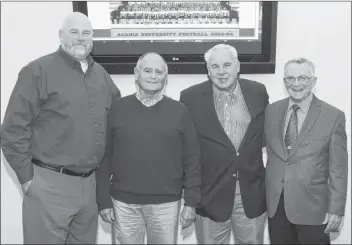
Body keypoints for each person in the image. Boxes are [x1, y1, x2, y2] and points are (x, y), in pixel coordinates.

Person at [0, 12, 121, 244]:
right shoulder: (37, 71)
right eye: (74, 32)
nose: (80, 38)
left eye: (86, 33)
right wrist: (28, 179)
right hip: (49, 184)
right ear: (60, 36)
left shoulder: (102, 76)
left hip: (90, 187)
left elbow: (118, 123)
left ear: (93, 38)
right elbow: (13, 129)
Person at [96, 52, 201, 244]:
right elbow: (105, 157)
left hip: (166, 204)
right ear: (137, 73)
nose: (153, 76)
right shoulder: (117, 109)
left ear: (165, 77)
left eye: (159, 72)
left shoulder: (180, 112)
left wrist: (191, 202)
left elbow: (192, 159)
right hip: (123, 203)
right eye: (147, 70)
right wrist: (103, 200)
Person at [180, 44, 269, 244]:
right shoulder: (190, 97)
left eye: (227, 65)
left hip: (251, 194)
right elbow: (187, 149)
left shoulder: (258, 92)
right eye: (215, 66)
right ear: (208, 70)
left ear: (237, 66)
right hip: (210, 195)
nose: (221, 72)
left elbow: (264, 136)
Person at [264, 58, 348, 244]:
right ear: (284, 81)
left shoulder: (333, 116)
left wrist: (336, 209)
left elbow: (338, 170)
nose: (296, 84)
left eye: (302, 78)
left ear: (313, 81)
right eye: (290, 78)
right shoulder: (271, 111)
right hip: (276, 206)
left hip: (314, 209)